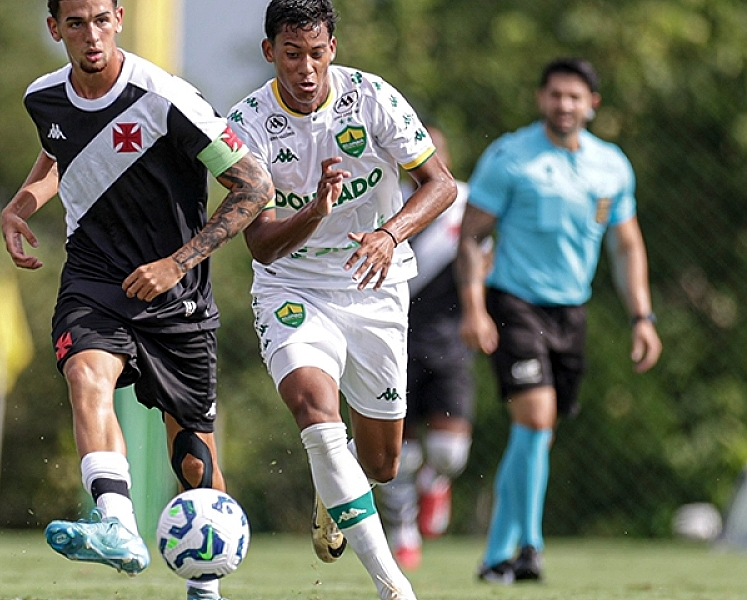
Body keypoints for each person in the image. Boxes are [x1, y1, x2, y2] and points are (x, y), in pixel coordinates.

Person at [0, 2, 273, 600]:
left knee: (196, 463)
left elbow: (255, 184)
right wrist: (23, 203)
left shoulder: (167, 98)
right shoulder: (42, 98)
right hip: (95, 278)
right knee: (85, 373)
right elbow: (61, 151)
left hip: (177, 297)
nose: (90, 35)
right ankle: (118, 527)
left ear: (120, 18)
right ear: (55, 29)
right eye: (76, 23)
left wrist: (176, 263)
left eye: (101, 19)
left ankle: (206, 585)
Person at [227, 2, 457, 598]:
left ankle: (337, 494)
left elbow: (441, 184)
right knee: (315, 412)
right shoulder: (246, 123)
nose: (306, 68)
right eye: (291, 54)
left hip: (374, 283)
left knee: (381, 464)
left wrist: (389, 233)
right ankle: (393, 585)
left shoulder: (371, 97)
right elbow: (262, 247)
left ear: (333, 47)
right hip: (294, 287)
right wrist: (315, 211)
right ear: (269, 52)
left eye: (317, 52)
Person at [456, 58, 663, 584]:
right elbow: (471, 238)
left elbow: (627, 245)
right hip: (514, 302)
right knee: (536, 419)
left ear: (592, 105)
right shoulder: (510, 157)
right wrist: (475, 307)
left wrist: (642, 316)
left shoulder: (611, 166)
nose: (564, 105)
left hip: (571, 310)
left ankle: (495, 556)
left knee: (536, 436)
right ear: (540, 99)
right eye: (555, 95)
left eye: (574, 97)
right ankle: (530, 547)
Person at [377, 126, 476, 572]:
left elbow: (485, 257)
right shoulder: (382, 201)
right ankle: (404, 531)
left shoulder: (466, 203)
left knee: (448, 453)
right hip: (391, 335)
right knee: (399, 448)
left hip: (449, 336)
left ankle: (436, 482)